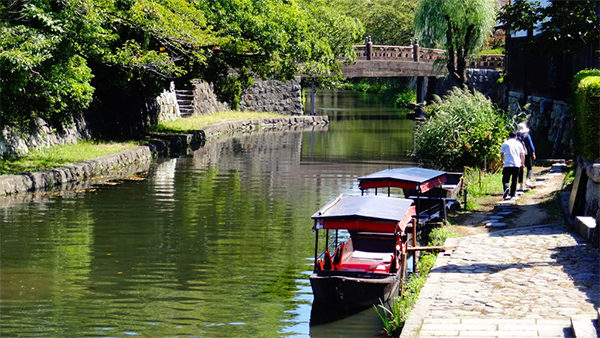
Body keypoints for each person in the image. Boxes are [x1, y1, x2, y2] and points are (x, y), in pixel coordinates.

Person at [500, 130, 526, 200]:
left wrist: (502, 161)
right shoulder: (519, 144)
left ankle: (506, 188)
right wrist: (522, 163)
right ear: (516, 136)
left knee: (505, 179)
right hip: (517, 164)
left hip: (507, 163)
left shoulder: (505, 143)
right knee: (514, 180)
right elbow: (522, 154)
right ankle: (512, 194)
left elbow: (502, 153)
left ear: (509, 136)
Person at [517, 122, 536, 190]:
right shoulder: (527, 136)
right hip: (527, 154)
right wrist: (533, 153)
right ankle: (528, 180)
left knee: (521, 169)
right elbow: (531, 145)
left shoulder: (516, 136)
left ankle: (521, 186)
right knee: (529, 167)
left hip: (519, 155)